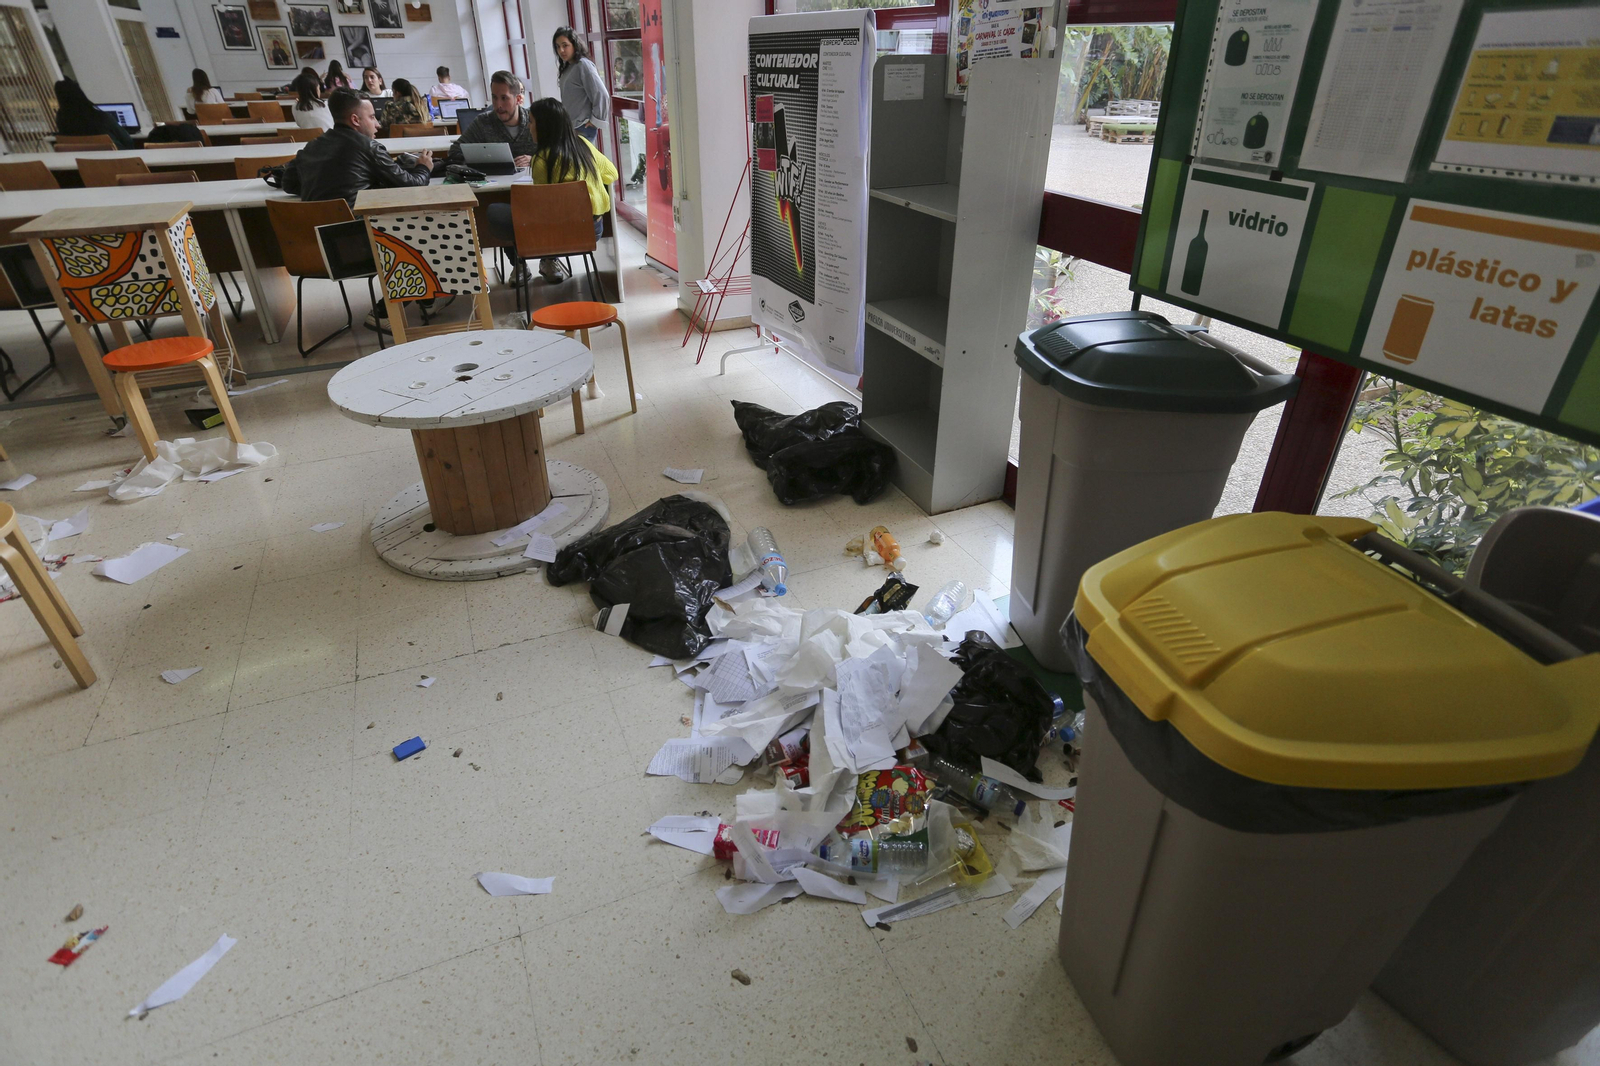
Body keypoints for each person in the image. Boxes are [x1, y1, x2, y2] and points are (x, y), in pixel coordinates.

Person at [282, 88, 433, 329]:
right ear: (355, 120)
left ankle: (426, 297)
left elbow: (288, 183)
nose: (377, 124)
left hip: (313, 248)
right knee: (426, 230)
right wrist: (424, 166)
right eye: (372, 117)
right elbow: (412, 185)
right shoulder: (367, 147)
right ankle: (387, 312)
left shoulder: (311, 147)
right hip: (356, 250)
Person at [524, 96, 617, 281]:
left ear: (543, 126)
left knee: (500, 212)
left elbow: (541, 208)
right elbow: (612, 174)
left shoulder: (542, 160)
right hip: (592, 231)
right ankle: (548, 262)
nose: (529, 126)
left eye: (531, 122)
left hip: (557, 237)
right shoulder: (583, 144)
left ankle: (522, 266)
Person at [552, 26, 609, 144]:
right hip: (572, 127)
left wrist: (595, 121)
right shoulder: (568, 67)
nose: (561, 50)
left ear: (574, 45)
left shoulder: (583, 65)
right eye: (558, 47)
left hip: (583, 127)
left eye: (565, 45)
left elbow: (601, 94)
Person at [53, 78, 135, 150]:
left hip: (85, 164)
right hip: (117, 159)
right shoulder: (102, 117)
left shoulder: (62, 120)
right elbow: (127, 140)